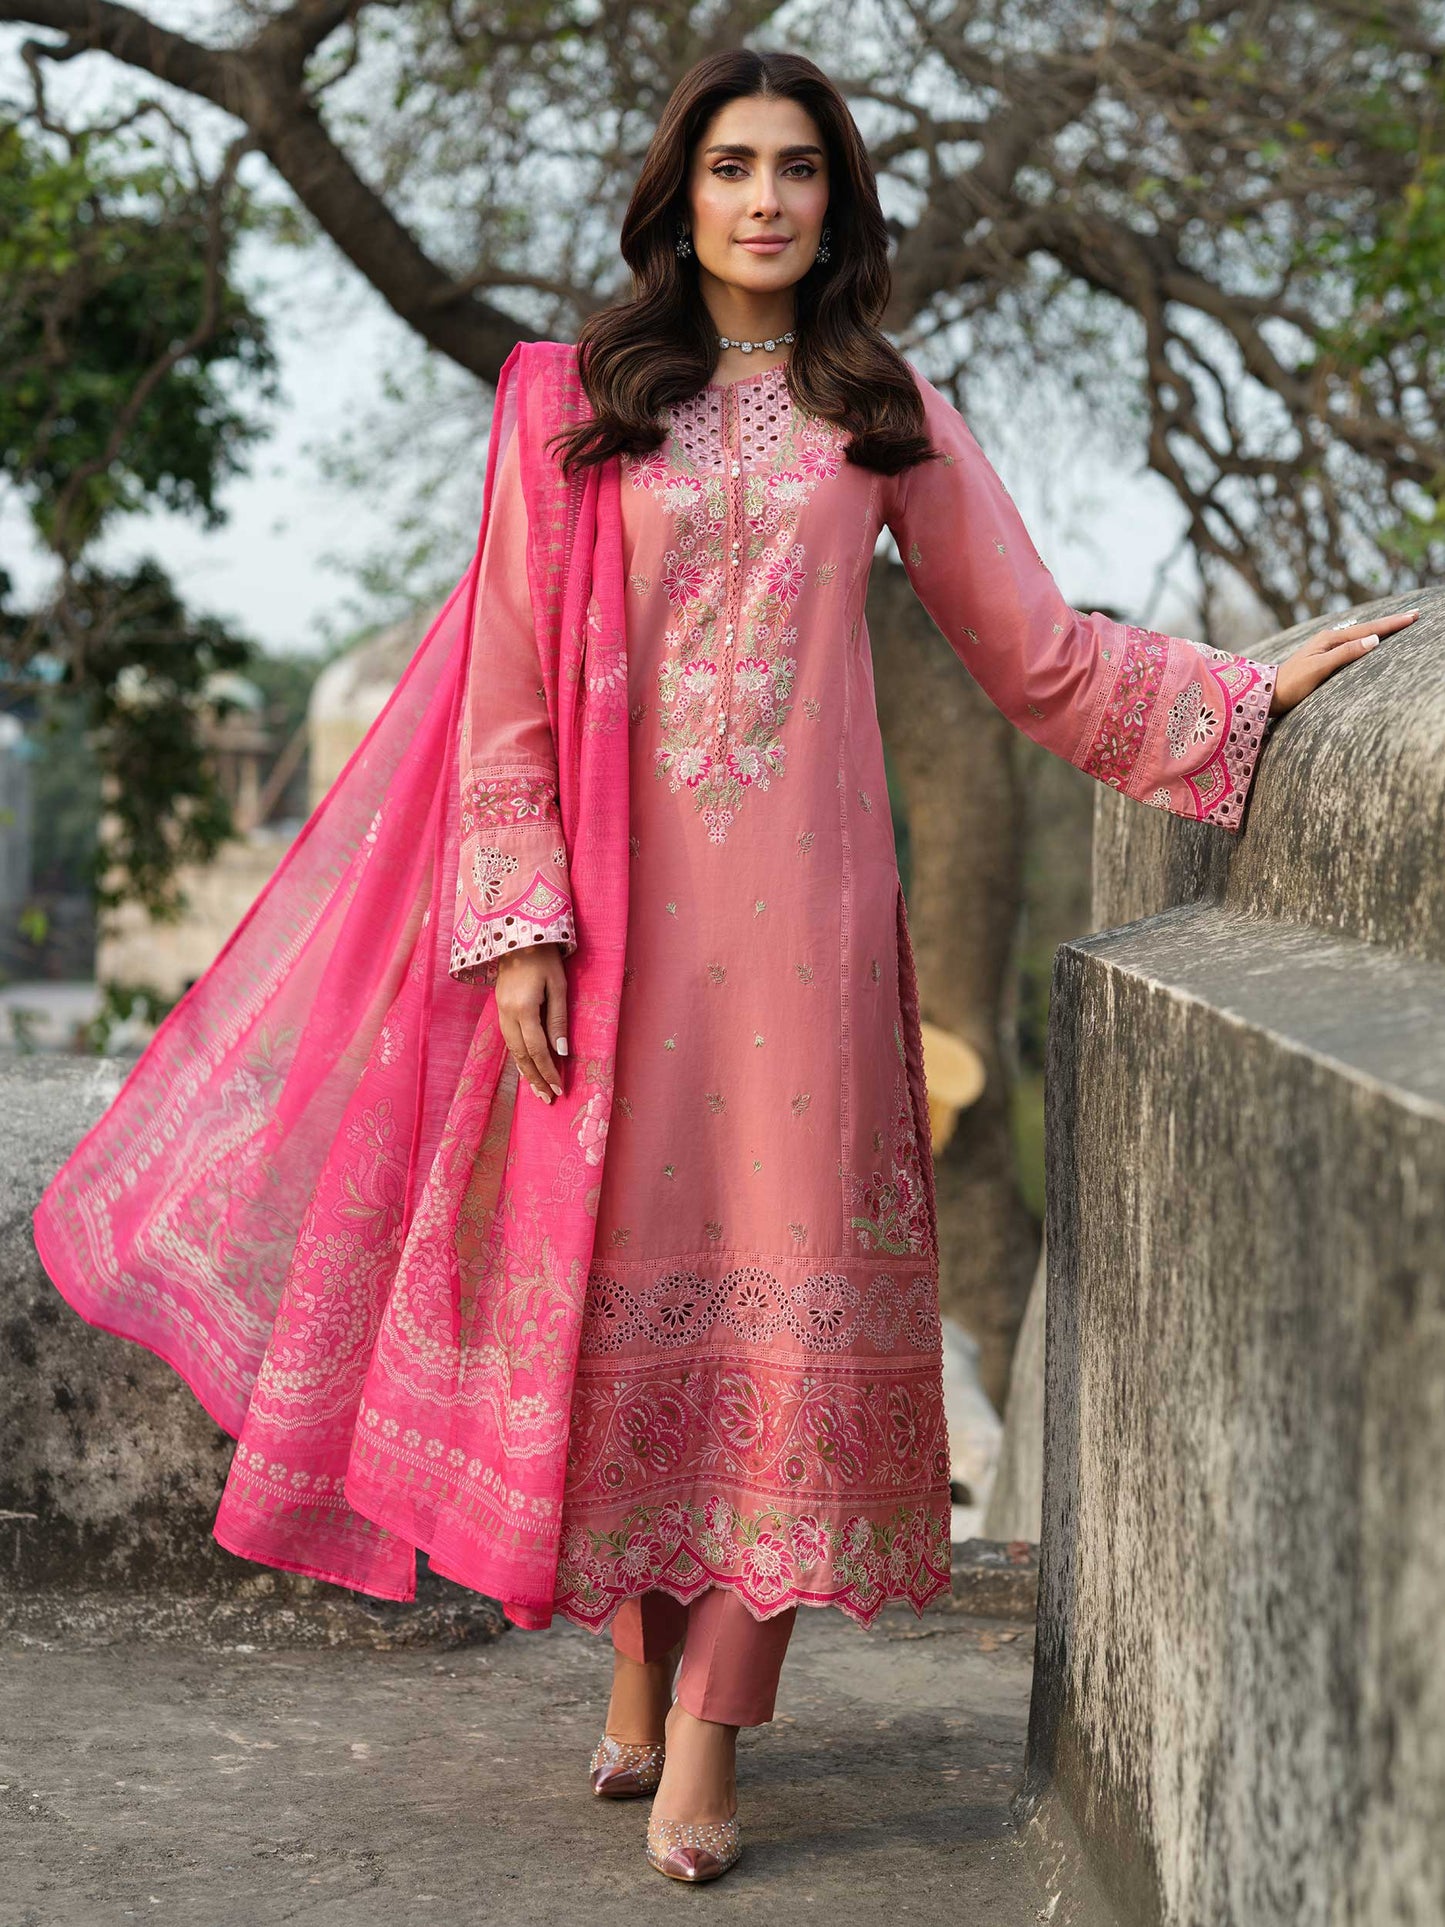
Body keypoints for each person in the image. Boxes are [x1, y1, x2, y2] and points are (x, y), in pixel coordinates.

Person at [33, 45, 1414, 1892]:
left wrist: (1248, 696)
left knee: (778, 1318)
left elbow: (1032, 655)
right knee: (630, 1311)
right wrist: (517, 929)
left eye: (799, 170)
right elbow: (511, 684)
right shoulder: (570, 400)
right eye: (733, 165)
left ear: (836, 201)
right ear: (678, 194)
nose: (766, 198)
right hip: (614, 929)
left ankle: (708, 1732)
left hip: (810, 947)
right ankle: (631, 1653)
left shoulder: (881, 404)